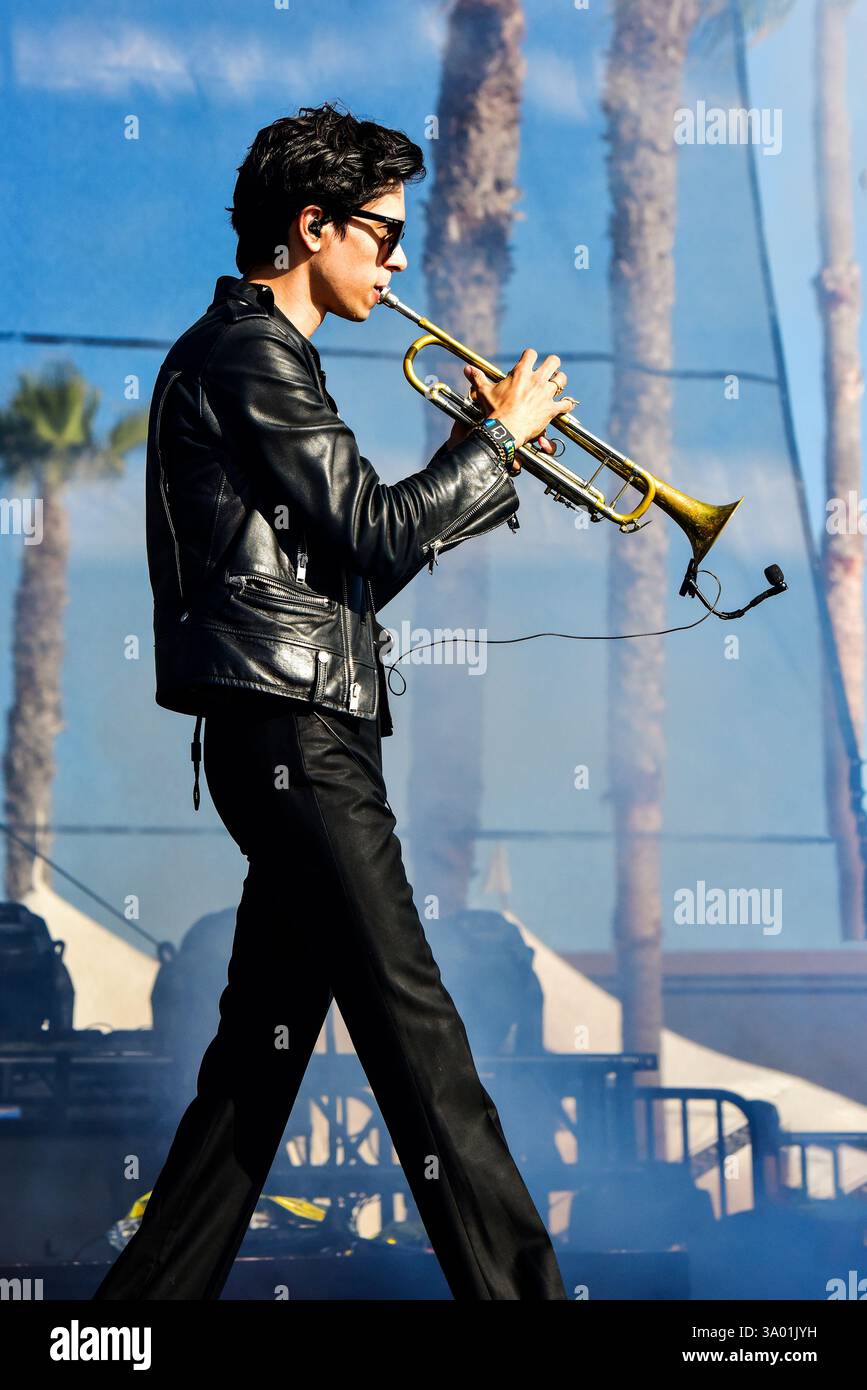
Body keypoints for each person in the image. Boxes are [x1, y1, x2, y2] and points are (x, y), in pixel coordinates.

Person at [92, 101, 575, 1302]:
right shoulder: (250, 353)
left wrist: (477, 446)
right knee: (422, 1038)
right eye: (382, 232)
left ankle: (126, 1328)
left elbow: (353, 551)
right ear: (313, 228)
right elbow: (372, 529)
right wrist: (498, 444)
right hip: (297, 740)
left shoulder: (265, 357)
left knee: (252, 1081)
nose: (399, 258)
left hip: (293, 736)